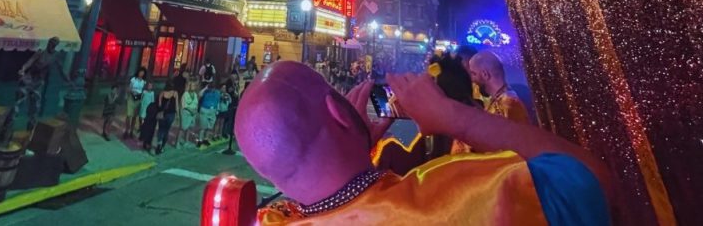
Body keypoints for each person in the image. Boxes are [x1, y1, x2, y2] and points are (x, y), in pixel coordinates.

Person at [236, 61, 610, 225]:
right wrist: (453, 117)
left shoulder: (274, 219)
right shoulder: (478, 196)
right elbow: (593, 181)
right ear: (337, 110)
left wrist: (352, 148)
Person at [468, 50, 530, 124]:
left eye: (474, 74)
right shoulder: (498, 100)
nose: (472, 80)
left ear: (485, 74)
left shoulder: (510, 103)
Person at [155, 77, 180, 155]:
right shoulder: (175, 93)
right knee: (166, 130)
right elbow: (176, 106)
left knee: (160, 129)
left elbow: (159, 105)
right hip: (171, 114)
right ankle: (162, 146)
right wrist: (178, 115)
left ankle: (158, 144)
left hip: (163, 113)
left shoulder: (162, 93)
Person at [124, 67, 148, 138]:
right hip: (131, 98)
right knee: (128, 115)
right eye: (140, 72)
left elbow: (144, 90)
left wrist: (141, 96)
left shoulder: (144, 82)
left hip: (138, 99)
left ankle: (131, 131)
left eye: (143, 73)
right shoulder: (133, 79)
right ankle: (126, 130)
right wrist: (131, 92)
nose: (141, 74)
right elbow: (129, 88)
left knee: (134, 116)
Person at [196, 82, 221, 148]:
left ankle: (205, 139)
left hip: (213, 110)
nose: (212, 89)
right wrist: (205, 88)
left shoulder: (217, 93)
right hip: (204, 109)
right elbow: (199, 94)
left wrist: (217, 110)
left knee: (210, 127)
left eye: (213, 88)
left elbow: (218, 101)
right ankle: (200, 140)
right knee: (203, 126)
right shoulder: (205, 91)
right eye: (210, 87)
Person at [138, 84, 159, 153]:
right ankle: (141, 133)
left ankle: (145, 140)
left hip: (150, 109)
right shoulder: (144, 92)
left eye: (151, 86)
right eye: (148, 85)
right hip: (144, 107)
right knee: (142, 121)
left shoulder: (152, 93)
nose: (149, 87)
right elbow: (141, 99)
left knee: (147, 126)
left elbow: (152, 100)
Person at [178, 80, 200, 147]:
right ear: (189, 86)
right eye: (193, 85)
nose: (194, 87)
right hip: (186, 113)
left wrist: (195, 110)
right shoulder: (185, 94)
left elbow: (196, 104)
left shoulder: (195, 94)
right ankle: (177, 142)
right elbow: (184, 105)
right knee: (183, 128)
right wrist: (190, 110)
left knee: (189, 128)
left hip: (193, 114)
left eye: (194, 85)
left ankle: (186, 141)